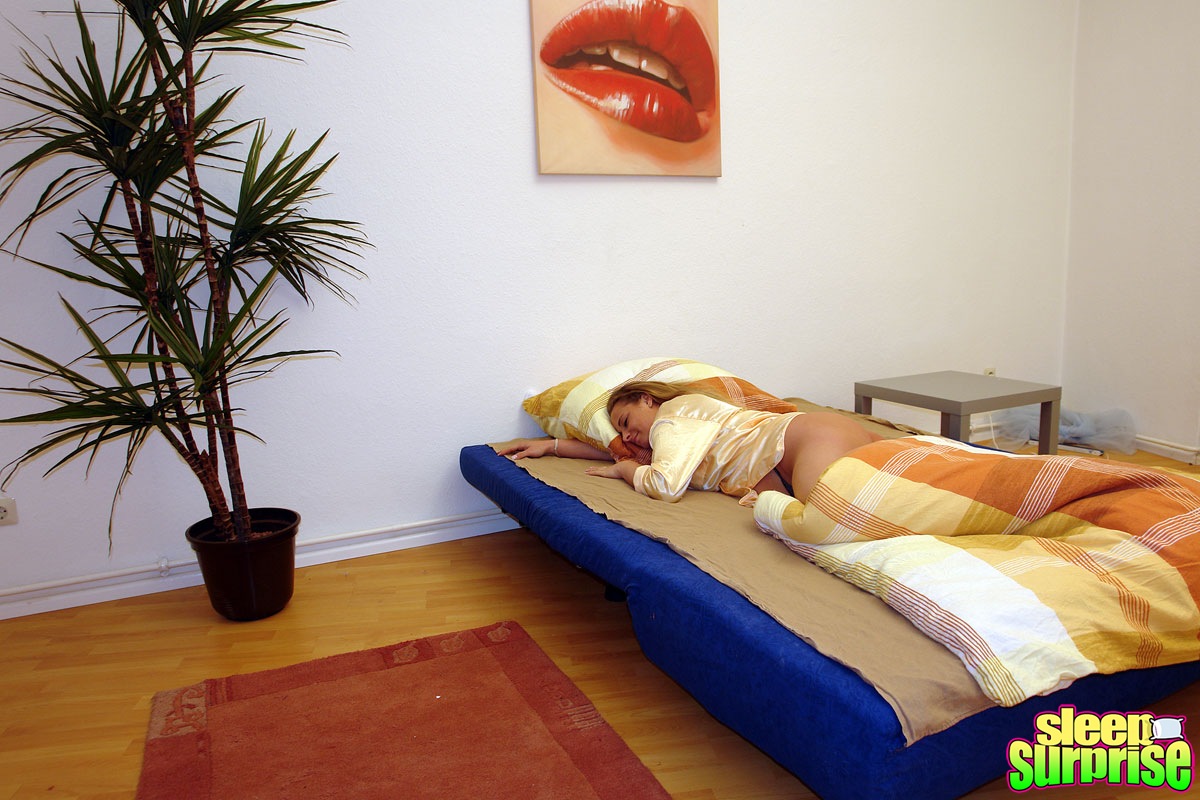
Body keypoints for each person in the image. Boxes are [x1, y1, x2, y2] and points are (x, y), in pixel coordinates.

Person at [499, 380, 882, 503]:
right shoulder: (678, 425)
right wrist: (550, 446)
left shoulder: (670, 421)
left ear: (647, 399)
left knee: (830, 520)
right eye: (621, 431)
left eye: (626, 422)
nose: (626, 436)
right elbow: (610, 448)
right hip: (818, 435)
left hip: (800, 443)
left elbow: (665, 485)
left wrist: (625, 471)